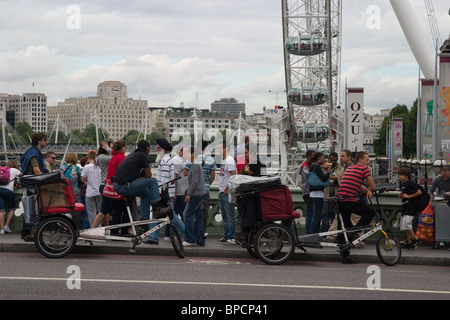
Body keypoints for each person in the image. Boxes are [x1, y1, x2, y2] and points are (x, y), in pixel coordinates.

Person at [113, 140, 171, 230]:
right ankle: (157, 208)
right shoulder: (142, 155)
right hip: (123, 186)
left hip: (118, 185)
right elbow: (149, 175)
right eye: (149, 148)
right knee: (153, 181)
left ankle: (143, 219)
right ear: (147, 148)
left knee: (146, 194)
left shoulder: (133, 155)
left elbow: (137, 176)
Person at [336, 151, 376, 264]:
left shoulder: (350, 168)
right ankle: (355, 232)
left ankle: (345, 255)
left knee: (345, 226)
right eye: (367, 159)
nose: (368, 162)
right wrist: (369, 190)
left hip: (340, 199)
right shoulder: (364, 169)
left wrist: (365, 190)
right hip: (349, 200)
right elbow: (373, 186)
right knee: (369, 212)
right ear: (360, 160)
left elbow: (357, 185)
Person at [146, 138, 185, 244]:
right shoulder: (167, 160)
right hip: (166, 193)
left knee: (172, 216)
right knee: (160, 214)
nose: (156, 150)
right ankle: (153, 237)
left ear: (163, 149)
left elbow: (164, 180)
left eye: (158, 148)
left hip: (164, 194)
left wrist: (160, 195)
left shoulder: (165, 161)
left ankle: (187, 235)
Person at [184, 141, 217, 238]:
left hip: (194, 191)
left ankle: (192, 235)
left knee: (191, 213)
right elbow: (213, 176)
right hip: (205, 190)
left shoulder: (192, 159)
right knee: (203, 214)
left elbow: (185, 173)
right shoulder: (210, 159)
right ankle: (201, 234)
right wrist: (207, 184)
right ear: (206, 148)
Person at [20, 132, 49, 241]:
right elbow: (36, 170)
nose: (46, 141)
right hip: (31, 184)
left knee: (30, 208)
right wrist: (46, 179)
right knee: (31, 209)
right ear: (39, 141)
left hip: (30, 184)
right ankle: (28, 232)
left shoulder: (33, 152)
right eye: (45, 139)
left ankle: (26, 232)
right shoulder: (33, 154)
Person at [91, 140, 126, 229]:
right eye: (110, 147)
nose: (112, 149)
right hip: (107, 185)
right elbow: (116, 155)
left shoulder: (99, 157)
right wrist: (108, 148)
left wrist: (108, 148)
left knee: (106, 210)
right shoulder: (104, 158)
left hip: (104, 185)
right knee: (103, 210)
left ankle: (106, 229)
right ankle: (92, 229)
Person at [397, 167, 427, 249]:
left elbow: (419, 192)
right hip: (406, 205)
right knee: (404, 225)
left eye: (401, 175)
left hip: (412, 206)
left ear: (406, 176)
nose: (399, 176)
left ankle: (415, 239)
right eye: (399, 175)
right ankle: (409, 242)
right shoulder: (404, 184)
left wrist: (409, 196)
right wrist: (403, 196)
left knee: (406, 223)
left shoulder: (410, 183)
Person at [183, 146, 206, 247]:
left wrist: (188, 194)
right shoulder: (197, 164)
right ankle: (200, 240)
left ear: (193, 154)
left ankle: (190, 239)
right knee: (198, 218)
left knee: (186, 214)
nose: (186, 155)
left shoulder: (195, 165)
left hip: (196, 194)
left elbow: (194, 182)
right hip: (200, 193)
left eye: (188, 153)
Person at [218, 141, 237, 244]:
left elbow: (233, 176)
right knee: (224, 216)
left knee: (230, 216)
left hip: (227, 192)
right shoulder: (224, 160)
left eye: (220, 148)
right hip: (222, 192)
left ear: (226, 149)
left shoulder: (229, 160)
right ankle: (226, 236)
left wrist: (226, 189)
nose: (218, 150)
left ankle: (231, 237)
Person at [307, 152, 330, 234]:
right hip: (317, 195)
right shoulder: (316, 166)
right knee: (316, 217)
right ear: (319, 159)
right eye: (323, 158)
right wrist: (328, 172)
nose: (324, 160)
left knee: (315, 216)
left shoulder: (313, 166)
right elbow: (323, 178)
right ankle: (311, 236)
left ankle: (314, 236)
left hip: (313, 194)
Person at [322, 152, 344, 232]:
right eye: (331, 160)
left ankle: (333, 234)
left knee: (334, 216)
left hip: (336, 195)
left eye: (335, 161)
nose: (333, 162)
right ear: (328, 159)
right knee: (325, 216)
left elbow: (342, 183)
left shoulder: (341, 169)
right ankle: (325, 233)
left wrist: (336, 180)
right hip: (326, 194)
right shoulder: (323, 167)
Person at [81, 150, 102, 227]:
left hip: (90, 192)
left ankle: (93, 229)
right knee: (100, 211)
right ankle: (99, 227)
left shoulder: (86, 167)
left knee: (91, 212)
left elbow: (82, 179)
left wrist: (87, 181)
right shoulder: (100, 166)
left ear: (88, 157)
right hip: (100, 191)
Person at [0, 161, 21, 235]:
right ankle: (6, 226)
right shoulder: (15, 170)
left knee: (1, 210)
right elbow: (22, 177)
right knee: (12, 208)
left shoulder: (2, 170)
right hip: (8, 191)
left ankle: (2, 229)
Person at [173, 145, 189, 226]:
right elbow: (174, 177)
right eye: (185, 152)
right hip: (179, 193)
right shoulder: (177, 161)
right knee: (185, 214)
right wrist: (175, 193)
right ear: (180, 152)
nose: (187, 154)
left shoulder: (181, 161)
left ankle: (168, 234)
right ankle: (188, 233)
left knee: (174, 214)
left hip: (181, 192)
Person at [300, 150, 315, 234]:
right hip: (307, 192)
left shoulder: (309, 165)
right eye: (313, 155)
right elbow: (308, 179)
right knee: (309, 215)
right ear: (309, 157)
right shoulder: (305, 167)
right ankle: (308, 234)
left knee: (311, 214)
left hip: (309, 192)